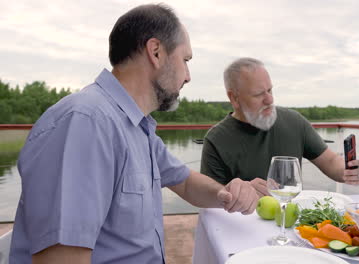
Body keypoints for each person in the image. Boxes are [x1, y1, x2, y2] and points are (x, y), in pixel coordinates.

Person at [9, 4, 258, 264]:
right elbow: (62, 259)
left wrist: (227, 194)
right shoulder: (86, 124)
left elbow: (184, 182)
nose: (188, 76)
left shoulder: (137, 127)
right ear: (156, 52)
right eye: (185, 60)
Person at [200, 57, 359, 197]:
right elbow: (209, 197)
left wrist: (350, 170)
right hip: (241, 225)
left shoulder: (294, 121)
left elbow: (330, 160)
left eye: (270, 90)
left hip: (291, 222)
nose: (269, 100)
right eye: (258, 94)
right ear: (234, 98)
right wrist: (239, 193)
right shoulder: (216, 140)